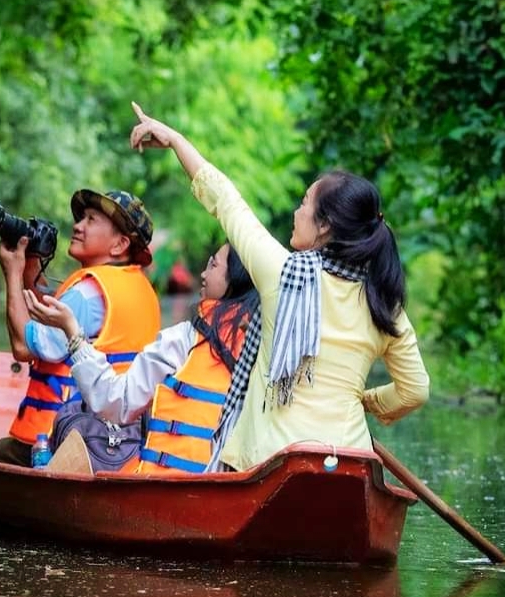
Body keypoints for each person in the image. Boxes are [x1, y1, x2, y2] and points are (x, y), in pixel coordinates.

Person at [128, 102, 430, 472]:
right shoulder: (382, 299)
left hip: (270, 463)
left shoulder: (281, 272)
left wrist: (175, 140)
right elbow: (414, 391)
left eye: (304, 203)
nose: (296, 212)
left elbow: (225, 200)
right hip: (350, 463)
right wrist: (365, 401)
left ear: (324, 226)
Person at [25, 243, 259, 474]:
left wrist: (73, 333)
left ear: (235, 281)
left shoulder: (184, 339)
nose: (203, 273)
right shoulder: (266, 345)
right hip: (226, 489)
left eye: (213, 264)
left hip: (167, 489)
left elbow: (116, 402)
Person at [0, 188, 162, 466]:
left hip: (64, 437)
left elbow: (23, 347)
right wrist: (30, 274)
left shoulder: (86, 293)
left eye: (90, 220)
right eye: (81, 218)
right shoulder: (138, 287)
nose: (77, 226)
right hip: (122, 439)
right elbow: (47, 323)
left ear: (119, 245)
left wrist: (12, 273)